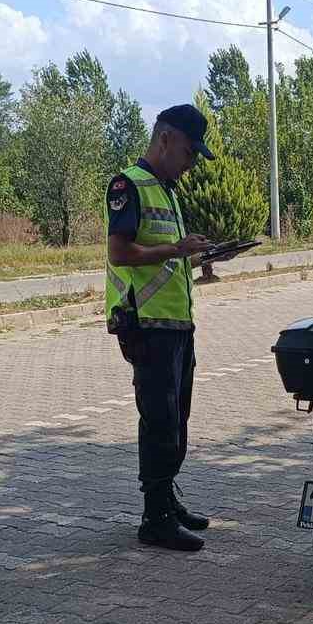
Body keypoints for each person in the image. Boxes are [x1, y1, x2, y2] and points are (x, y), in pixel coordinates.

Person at [105, 103, 233, 552]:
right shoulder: (128, 185)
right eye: (187, 150)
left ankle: (168, 500)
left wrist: (198, 256)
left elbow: (166, 257)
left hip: (177, 323)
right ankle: (154, 517)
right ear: (164, 139)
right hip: (146, 324)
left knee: (177, 419)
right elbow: (121, 254)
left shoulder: (168, 189)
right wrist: (176, 248)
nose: (191, 161)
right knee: (159, 419)